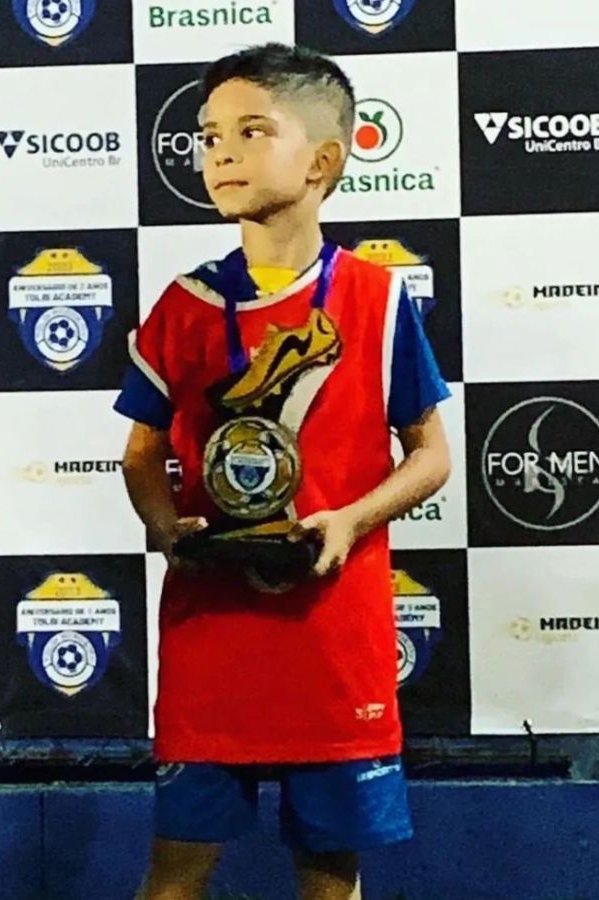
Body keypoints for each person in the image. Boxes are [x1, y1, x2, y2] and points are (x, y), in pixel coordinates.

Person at [114, 42, 452, 900]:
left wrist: (350, 518)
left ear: (325, 161)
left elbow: (432, 455)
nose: (219, 151)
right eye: (208, 134)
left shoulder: (377, 302)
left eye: (252, 131)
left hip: (335, 634)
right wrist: (163, 526)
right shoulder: (185, 306)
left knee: (329, 873)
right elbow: (141, 451)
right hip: (212, 629)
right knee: (175, 868)